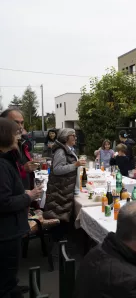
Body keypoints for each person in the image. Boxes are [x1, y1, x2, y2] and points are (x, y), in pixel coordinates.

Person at [0, 118, 43, 298]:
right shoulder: (2, 164)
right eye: (16, 133)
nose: (19, 137)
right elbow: (3, 202)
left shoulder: (7, 160)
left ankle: (12, 286)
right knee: (5, 277)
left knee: (9, 272)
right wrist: (29, 196)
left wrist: (23, 192)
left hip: (10, 229)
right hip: (6, 232)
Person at [43, 128, 86, 239]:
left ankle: (60, 248)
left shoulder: (68, 149)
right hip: (60, 191)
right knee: (59, 223)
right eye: (73, 135)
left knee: (62, 221)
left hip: (64, 190)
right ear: (66, 137)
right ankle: (57, 252)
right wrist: (75, 165)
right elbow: (57, 169)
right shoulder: (60, 151)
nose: (75, 137)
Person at [0, 108, 38, 190]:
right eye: (16, 122)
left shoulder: (22, 143)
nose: (20, 127)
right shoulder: (4, 148)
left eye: (22, 123)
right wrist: (23, 170)